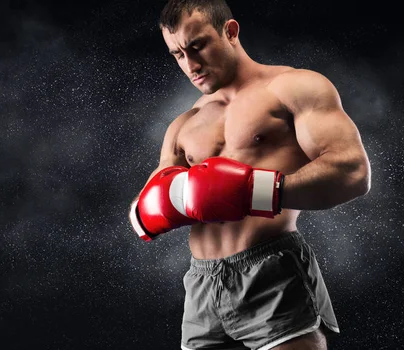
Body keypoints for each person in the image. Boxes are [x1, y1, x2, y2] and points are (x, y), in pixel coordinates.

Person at [127, 0, 372, 349]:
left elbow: (353, 171)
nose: (191, 64)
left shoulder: (294, 87)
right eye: (178, 54)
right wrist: (150, 210)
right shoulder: (184, 124)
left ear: (230, 31)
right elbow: (142, 214)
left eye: (197, 46)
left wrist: (250, 191)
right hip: (200, 285)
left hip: (270, 270)